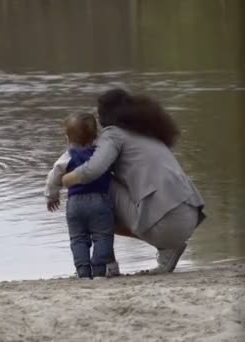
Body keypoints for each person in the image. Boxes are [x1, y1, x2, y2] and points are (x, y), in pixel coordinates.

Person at [61, 88, 206, 274]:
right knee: (101, 195)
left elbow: (93, 170)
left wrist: (64, 180)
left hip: (166, 223)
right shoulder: (147, 132)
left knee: (95, 190)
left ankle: (107, 264)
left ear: (104, 115)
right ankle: (168, 248)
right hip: (188, 217)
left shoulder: (113, 134)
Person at [44, 113, 116, 279]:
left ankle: (83, 271)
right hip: (100, 201)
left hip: (75, 204)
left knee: (78, 238)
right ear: (96, 136)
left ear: (67, 138)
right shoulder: (101, 155)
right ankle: (99, 269)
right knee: (103, 236)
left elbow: (53, 178)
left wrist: (52, 196)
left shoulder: (67, 157)